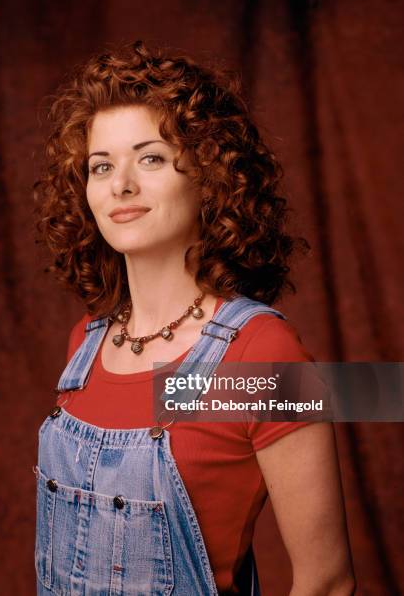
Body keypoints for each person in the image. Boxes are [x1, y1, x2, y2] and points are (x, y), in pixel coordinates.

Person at [33, 41, 355, 595]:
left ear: (209, 176)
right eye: (101, 165)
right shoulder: (83, 349)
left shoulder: (261, 354)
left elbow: (326, 582)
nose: (120, 185)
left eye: (151, 157)